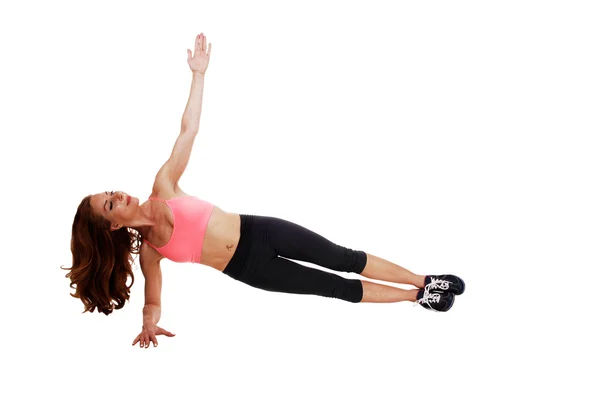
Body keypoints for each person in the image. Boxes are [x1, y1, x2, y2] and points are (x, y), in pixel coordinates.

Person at [63, 33, 465, 349]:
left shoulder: (163, 185)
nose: (120, 195)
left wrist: (198, 74)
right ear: (111, 227)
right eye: (111, 203)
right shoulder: (152, 253)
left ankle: (424, 279)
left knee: (344, 258)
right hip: (250, 269)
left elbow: (188, 130)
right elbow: (152, 300)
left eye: (111, 191)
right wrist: (149, 323)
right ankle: (417, 299)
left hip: (259, 231)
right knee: (335, 288)